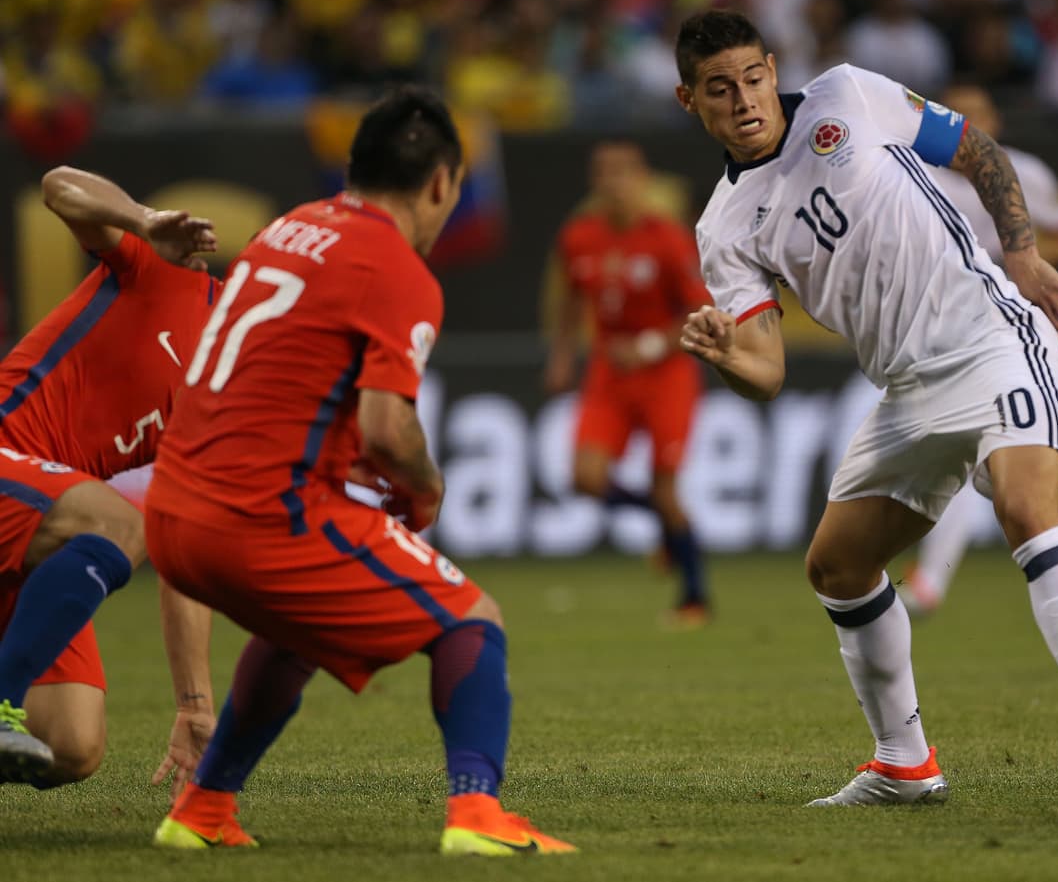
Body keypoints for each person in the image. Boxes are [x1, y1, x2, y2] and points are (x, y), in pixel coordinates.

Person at [673, 10, 1058, 818]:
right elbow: (766, 370)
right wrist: (725, 356)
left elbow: (976, 149)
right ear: (689, 100)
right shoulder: (724, 226)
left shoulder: (847, 94)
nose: (743, 100)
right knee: (837, 565)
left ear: (772, 69)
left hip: (992, 336)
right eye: (719, 88)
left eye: (752, 78)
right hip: (908, 388)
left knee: (1028, 508)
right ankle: (904, 764)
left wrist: (1020, 253)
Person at [145, 87, 575, 855]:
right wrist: (426, 486)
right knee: (471, 618)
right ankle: (477, 814)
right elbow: (387, 427)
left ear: (354, 165)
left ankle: (202, 809)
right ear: (441, 183)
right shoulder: (396, 267)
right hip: (257, 516)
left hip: (172, 510)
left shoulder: (286, 229)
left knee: (296, 634)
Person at [0, 166, 219, 788]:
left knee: (72, 746)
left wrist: (194, 706)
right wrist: (145, 222)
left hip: (36, 530)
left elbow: (183, 558)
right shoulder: (169, 276)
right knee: (116, 522)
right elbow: (57, 185)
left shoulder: (226, 402)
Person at [898, 82, 1058, 617]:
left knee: (967, 445)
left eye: (979, 113)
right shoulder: (918, 173)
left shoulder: (1023, 172)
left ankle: (931, 582)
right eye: (958, 114)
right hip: (948, 327)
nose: (970, 123)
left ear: (996, 122)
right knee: (970, 445)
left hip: (1014, 325)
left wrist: (1021, 261)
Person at [543, 141, 713, 627]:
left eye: (624, 174)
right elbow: (570, 301)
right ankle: (664, 524)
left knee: (666, 488)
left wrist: (649, 347)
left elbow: (698, 310)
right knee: (585, 478)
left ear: (642, 181)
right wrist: (561, 356)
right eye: (605, 175)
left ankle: (694, 598)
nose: (614, 184)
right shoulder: (580, 237)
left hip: (666, 374)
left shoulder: (666, 238)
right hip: (609, 373)